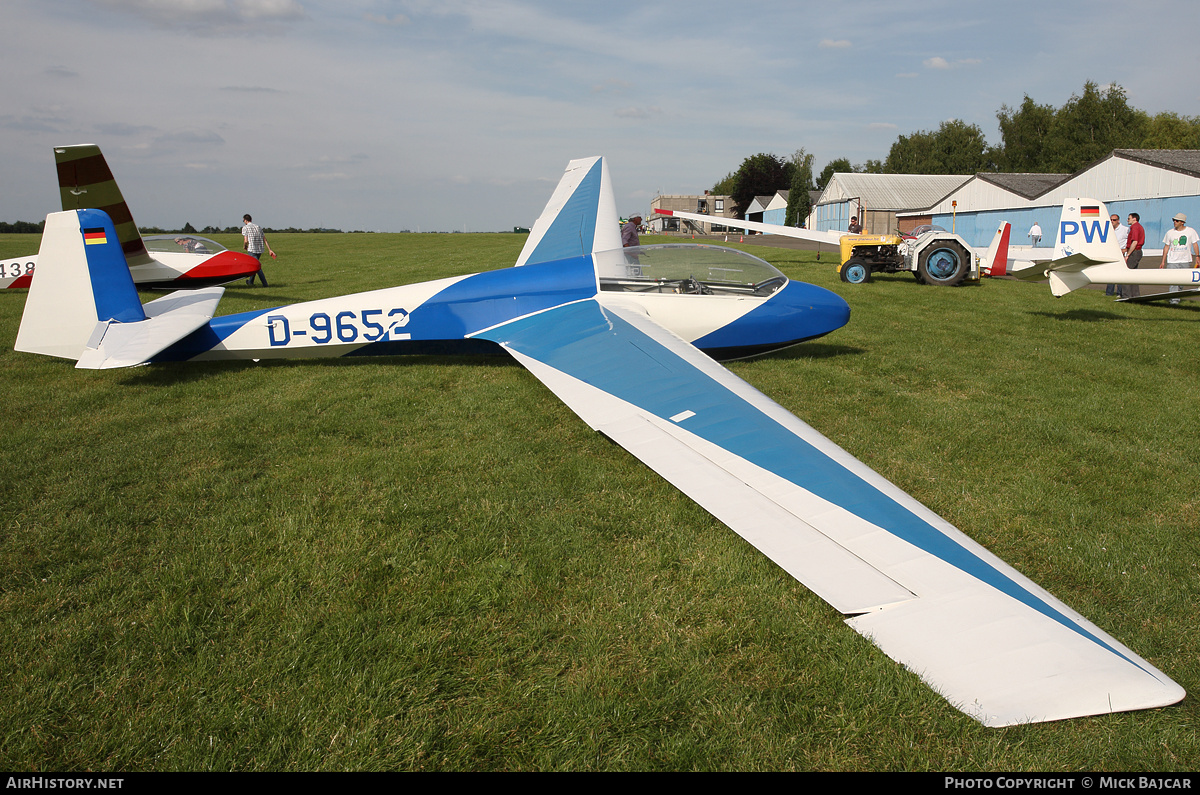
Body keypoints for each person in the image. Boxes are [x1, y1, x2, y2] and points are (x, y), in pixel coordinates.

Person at [1159, 212, 1200, 304]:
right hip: (1172, 261)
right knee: (1173, 281)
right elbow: (1166, 247)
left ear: (1182, 222)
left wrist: (1197, 256)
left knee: (1182, 281)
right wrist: (1163, 261)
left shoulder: (1191, 231)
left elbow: (1195, 244)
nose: (1174, 222)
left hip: (1185, 260)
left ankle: (1177, 295)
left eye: (1177, 220)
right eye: (1174, 220)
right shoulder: (1170, 233)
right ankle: (1174, 301)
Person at [241, 214, 276, 287]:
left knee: (257, 267)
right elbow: (265, 239)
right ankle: (250, 282)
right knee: (254, 265)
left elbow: (246, 240)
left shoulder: (245, 227)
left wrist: (245, 246)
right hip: (260, 249)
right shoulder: (258, 227)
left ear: (245, 220)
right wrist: (270, 249)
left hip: (252, 249)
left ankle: (265, 284)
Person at [1120, 212, 1145, 300]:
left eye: (1129, 218)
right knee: (1133, 274)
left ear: (1134, 219)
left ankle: (1126, 296)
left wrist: (1128, 255)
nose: (1127, 220)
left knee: (1126, 274)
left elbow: (1134, 242)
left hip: (1134, 252)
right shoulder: (1139, 227)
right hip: (1137, 252)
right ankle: (1135, 295)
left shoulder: (1135, 228)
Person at [1105, 214, 1128, 296]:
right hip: (1111, 253)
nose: (1112, 222)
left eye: (1114, 220)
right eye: (1111, 220)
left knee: (1120, 273)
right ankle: (1109, 292)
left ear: (1118, 220)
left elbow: (1130, 240)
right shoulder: (1108, 229)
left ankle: (1120, 292)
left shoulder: (1125, 229)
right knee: (1110, 273)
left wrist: (1125, 249)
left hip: (1121, 253)